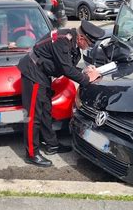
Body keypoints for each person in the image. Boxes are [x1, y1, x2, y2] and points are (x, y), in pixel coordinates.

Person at [17, 20, 103, 167]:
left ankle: (52, 144)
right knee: (34, 116)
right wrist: (87, 79)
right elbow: (67, 70)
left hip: (43, 74)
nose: (89, 47)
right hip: (33, 72)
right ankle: (31, 153)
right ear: (81, 38)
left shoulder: (73, 42)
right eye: (89, 44)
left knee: (46, 111)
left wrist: (84, 71)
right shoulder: (63, 42)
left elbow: (69, 66)